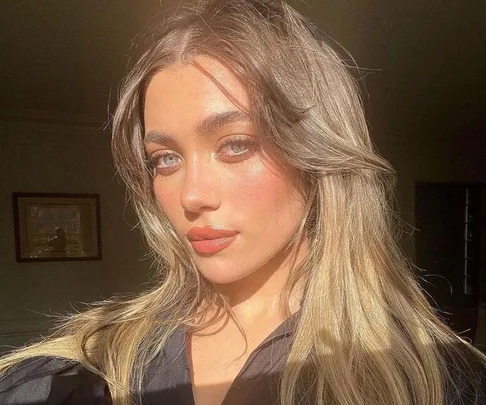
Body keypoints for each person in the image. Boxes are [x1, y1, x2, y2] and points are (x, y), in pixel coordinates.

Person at [1, 0, 485, 404]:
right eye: (165, 159)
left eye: (236, 145)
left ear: (317, 156)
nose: (190, 196)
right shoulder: (98, 366)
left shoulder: (435, 379)